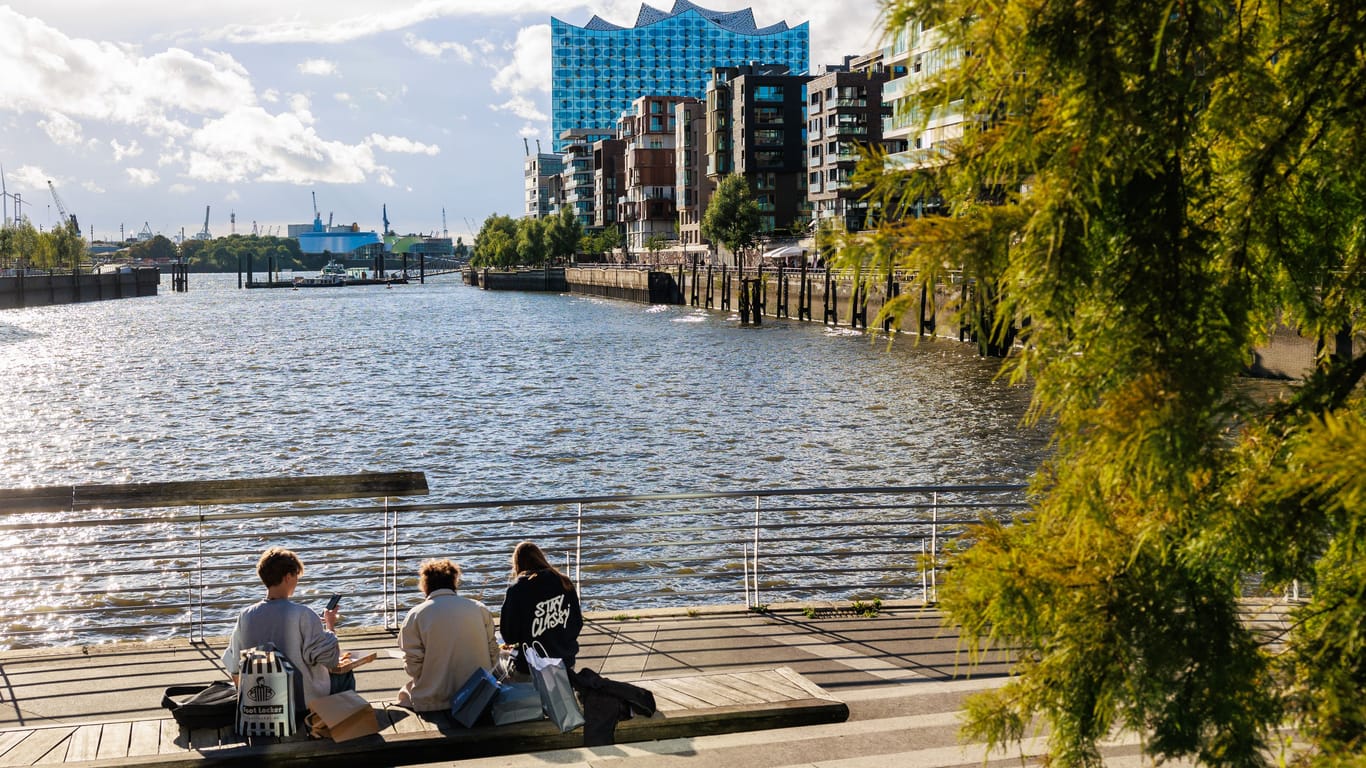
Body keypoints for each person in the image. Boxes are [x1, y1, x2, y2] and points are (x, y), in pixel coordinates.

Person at [222, 547, 354, 705]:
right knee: (345, 674)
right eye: (296, 575)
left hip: (261, 702)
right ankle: (343, 725)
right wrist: (330, 626)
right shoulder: (303, 615)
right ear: (288, 577)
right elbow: (330, 659)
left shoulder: (245, 616)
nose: (297, 580)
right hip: (301, 704)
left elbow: (234, 666)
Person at [396, 558, 500, 712]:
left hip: (434, 699)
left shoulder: (416, 615)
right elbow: (493, 653)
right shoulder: (479, 608)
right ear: (454, 581)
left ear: (425, 585)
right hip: (478, 695)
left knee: (404, 695)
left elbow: (412, 666)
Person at [499, 541, 583, 674]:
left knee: (497, 662)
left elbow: (509, 637)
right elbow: (577, 623)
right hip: (565, 662)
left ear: (517, 564)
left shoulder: (517, 589)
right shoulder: (564, 582)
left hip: (530, 667)